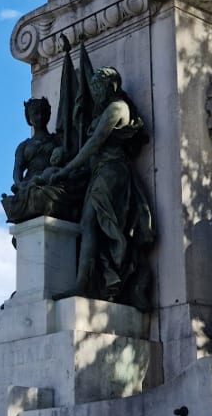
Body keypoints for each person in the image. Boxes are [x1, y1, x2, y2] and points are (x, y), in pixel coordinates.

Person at [32, 67, 154, 310]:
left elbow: (95, 143)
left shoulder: (117, 108)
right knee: (89, 223)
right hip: (99, 172)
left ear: (113, 86)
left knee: (95, 223)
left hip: (112, 172)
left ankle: (93, 281)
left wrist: (66, 170)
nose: (94, 91)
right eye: (93, 86)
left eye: (99, 86)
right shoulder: (104, 109)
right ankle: (93, 281)